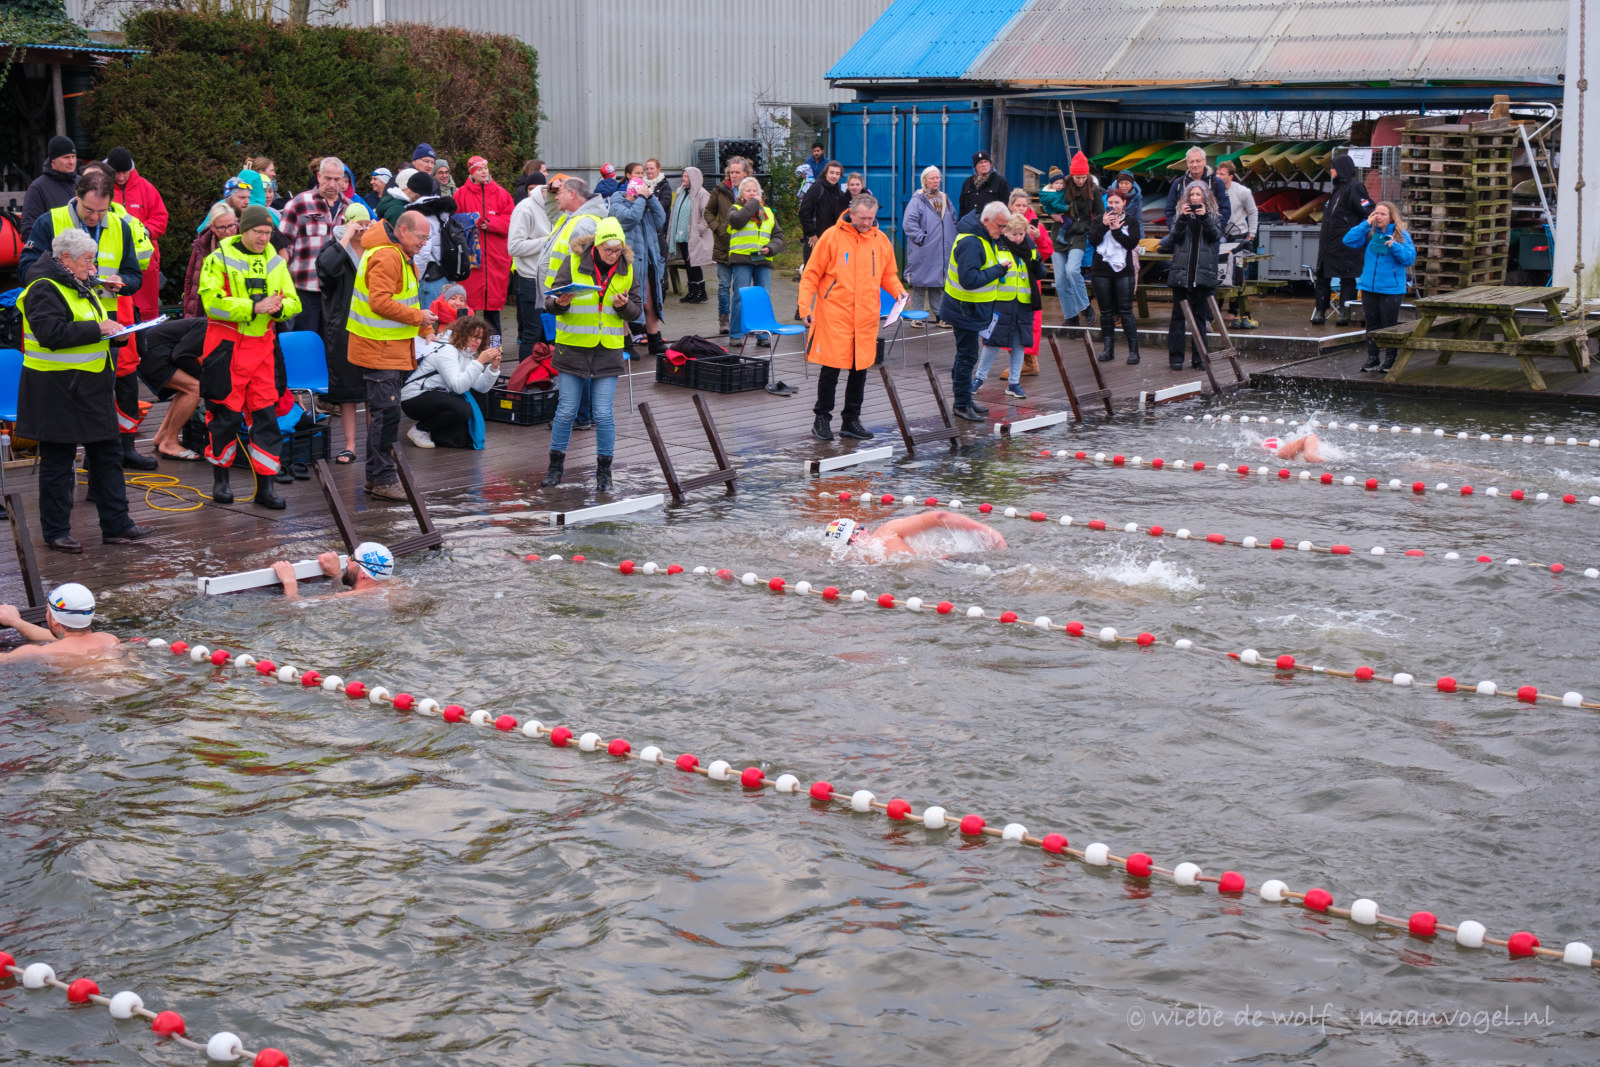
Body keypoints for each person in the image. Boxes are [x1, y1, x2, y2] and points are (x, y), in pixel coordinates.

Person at [15, 229, 154, 553]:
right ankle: (55, 532)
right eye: (87, 260)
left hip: (90, 387)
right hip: (56, 389)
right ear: (65, 258)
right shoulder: (44, 287)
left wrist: (116, 335)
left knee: (108, 454)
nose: (93, 268)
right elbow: (50, 333)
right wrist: (99, 328)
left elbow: (89, 329)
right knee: (58, 461)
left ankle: (117, 525)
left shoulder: (79, 284)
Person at [18, 169, 151, 471]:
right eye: (89, 209)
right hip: (63, 317)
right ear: (76, 196)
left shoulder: (120, 225)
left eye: (101, 211)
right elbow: (26, 270)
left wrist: (122, 283)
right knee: (70, 402)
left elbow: (135, 274)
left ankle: (112, 453)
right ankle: (76, 460)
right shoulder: (49, 221)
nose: (94, 217)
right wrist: (68, 278)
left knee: (114, 387)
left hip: (108, 317)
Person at [196, 204, 301, 509]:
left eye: (268, 233)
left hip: (263, 351)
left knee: (267, 418)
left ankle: (265, 488)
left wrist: (279, 308)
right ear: (244, 229)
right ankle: (221, 481)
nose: (263, 238)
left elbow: (294, 302)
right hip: (227, 350)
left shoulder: (276, 262)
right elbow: (211, 303)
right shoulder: (218, 259)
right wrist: (253, 307)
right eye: (258, 232)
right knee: (224, 417)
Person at [542, 217, 640, 492]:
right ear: (597, 245)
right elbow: (549, 301)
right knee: (566, 411)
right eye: (608, 250)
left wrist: (623, 307)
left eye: (618, 250)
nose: (613, 255)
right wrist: (560, 303)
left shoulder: (627, 268)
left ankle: (604, 473)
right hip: (572, 347)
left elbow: (636, 311)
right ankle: (555, 467)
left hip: (608, 350)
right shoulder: (573, 262)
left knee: (603, 413)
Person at [798, 193, 904, 441]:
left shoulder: (881, 240)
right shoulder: (831, 237)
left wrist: (899, 292)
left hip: (866, 316)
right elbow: (811, 274)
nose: (867, 223)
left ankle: (851, 419)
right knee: (831, 367)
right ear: (851, 213)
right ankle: (822, 418)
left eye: (871, 218)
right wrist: (805, 307)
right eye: (862, 218)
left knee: (861, 368)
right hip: (835, 314)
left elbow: (888, 274)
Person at [348, 210, 436, 500]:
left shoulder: (397, 253)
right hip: (379, 347)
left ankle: (376, 477)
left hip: (388, 347)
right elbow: (380, 303)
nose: (424, 243)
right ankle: (383, 479)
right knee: (385, 415)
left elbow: (404, 300)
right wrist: (418, 318)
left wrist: (423, 327)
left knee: (384, 414)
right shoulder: (388, 255)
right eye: (421, 237)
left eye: (426, 238)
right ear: (403, 231)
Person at [315, 202, 376, 466]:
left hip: (373, 326)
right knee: (347, 390)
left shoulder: (377, 247)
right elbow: (326, 271)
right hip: (343, 327)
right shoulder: (333, 247)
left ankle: (375, 444)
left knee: (374, 387)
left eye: (366, 224)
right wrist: (346, 238)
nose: (362, 230)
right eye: (357, 225)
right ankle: (350, 445)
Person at [941, 202, 1011, 422]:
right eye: (1000, 226)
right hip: (964, 308)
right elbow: (969, 280)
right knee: (967, 356)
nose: (1003, 231)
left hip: (969, 308)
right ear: (986, 221)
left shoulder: (983, 236)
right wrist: (998, 270)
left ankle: (964, 399)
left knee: (966, 355)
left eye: (1005, 227)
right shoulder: (971, 241)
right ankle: (961, 404)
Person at [402, 314, 499, 449]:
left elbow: (481, 387)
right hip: (413, 397)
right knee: (462, 409)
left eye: (480, 338)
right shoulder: (447, 350)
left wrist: (493, 368)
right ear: (463, 334)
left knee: (466, 409)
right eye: (474, 336)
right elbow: (458, 386)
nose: (477, 341)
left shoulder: (466, 354)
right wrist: (479, 362)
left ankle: (433, 432)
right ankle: (419, 430)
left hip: (434, 395)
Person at [973, 212, 1043, 397]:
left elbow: (1040, 271)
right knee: (992, 342)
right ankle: (979, 379)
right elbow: (986, 273)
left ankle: (1014, 383)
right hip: (1000, 303)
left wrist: (1037, 266)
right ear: (1005, 232)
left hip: (1023, 303)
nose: (1019, 238)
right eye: (1014, 234)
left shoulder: (1030, 247)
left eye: (1021, 233)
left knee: (1019, 344)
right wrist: (1000, 270)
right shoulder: (997, 247)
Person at [277, 156, 348, 335]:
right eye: (327, 178)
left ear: (343, 180)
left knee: (332, 342)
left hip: (336, 291)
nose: (332, 184)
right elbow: (283, 246)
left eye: (337, 179)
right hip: (305, 288)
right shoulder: (299, 204)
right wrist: (282, 284)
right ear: (318, 176)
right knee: (306, 340)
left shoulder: (350, 208)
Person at [1345, 201, 1416, 372]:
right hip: (1369, 287)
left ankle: (1390, 358)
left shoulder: (1401, 234)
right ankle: (1373, 357)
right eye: (1376, 213)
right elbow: (1348, 240)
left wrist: (1394, 245)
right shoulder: (1369, 232)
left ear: (1391, 217)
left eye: (1383, 214)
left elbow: (1409, 259)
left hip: (1391, 289)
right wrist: (1365, 224)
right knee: (1371, 324)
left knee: (1389, 325)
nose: (1378, 217)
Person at [1159, 180, 1222, 371]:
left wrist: (1205, 218)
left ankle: (1199, 358)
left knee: (1200, 317)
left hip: (1202, 275)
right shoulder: (1180, 215)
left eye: (1198, 194)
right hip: (1182, 273)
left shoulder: (1213, 215)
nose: (1194, 198)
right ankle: (1176, 358)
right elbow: (1174, 238)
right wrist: (1182, 219)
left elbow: (1215, 236)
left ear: (1205, 196)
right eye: (1191, 195)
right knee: (1178, 317)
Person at [609, 163, 668, 353]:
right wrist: (641, 199)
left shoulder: (646, 204)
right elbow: (631, 218)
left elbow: (660, 219)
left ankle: (654, 340)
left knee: (651, 302)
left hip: (649, 261)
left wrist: (650, 199)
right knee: (625, 303)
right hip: (627, 262)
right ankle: (625, 343)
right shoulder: (617, 203)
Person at [107, 147, 168, 327]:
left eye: (124, 172)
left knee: (147, 308)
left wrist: (144, 231)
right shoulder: (103, 189)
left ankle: (148, 340)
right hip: (115, 260)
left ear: (131, 169)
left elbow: (161, 218)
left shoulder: (146, 188)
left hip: (145, 261)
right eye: (116, 173)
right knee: (120, 309)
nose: (120, 177)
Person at [454, 156, 513, 334]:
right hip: (471, 260)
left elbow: (513, 220)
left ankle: (495, 346)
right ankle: (464, 343)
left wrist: (493, 224)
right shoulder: (460, 194)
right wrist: (470, 221)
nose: (484, 171)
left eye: (486, 168)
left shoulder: (502, 194)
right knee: (467, 307)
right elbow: (453, 222)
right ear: (472, 172)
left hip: (495, 258)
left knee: (493, 309)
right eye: (479, 169)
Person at [1314, 154, 1375, 325]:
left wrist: (1362, 229)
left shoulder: (1354, 187)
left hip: (1346, 244)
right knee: (1322, 277)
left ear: (1340, 169)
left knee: (1347, 278)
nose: (1331, 171)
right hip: (1328, 244)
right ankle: (1320, 310)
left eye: (1333, 167)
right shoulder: (1336, 190)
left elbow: (1368, 210)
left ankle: (1345, 311)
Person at [724, 176, 783, 353]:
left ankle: (763, 335)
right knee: (740, 298)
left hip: (762, 260)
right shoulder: (735, 209)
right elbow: (738, 221)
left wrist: (771, 248)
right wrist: (753, 203)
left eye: (755, 190)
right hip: (742, 259)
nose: (752, 193)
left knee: (762, 297)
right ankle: (736, 335)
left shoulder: (768, 212)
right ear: (741, 194)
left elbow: (778, 236)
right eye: (748, 190)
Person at [1039, 153, 1099, 326]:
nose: (1080, 180)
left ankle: (1085, 307)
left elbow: (1100, 214)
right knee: (1060, 280)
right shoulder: (1063, 185)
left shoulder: (1093, 189)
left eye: (1083, 177)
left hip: (1079, 235)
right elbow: (1047, 201)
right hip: (1060, 235)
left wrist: (1094, 232)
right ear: (1072, 175)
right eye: (1077, 177)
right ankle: (1071, 317)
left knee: (1072, 270)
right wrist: (1051, 213)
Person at [136, 316, 207, 460]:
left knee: (188, 389)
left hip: (152, 350)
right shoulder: (207, 327)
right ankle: (169, 442)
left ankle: (162, 437)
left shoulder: (207, 324)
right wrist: (203, 377)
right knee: (196, 389)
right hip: (152, 353)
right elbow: (181, 356)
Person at [1087, 188, 1142, 365]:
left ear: (1124, 203)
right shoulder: (1098, 220)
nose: (1114, 205)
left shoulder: (1131, 221)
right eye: (1110, 202)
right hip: (1101, 271)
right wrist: (1104, 225)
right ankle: (1108, 349)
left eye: (1117, 202)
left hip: (1123, 271)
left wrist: (1117, 230)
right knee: (1105, 311)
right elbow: (1093, 241)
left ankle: (1133, 351)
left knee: (1126, 310)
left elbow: (1131, 244)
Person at [0, 585, 121, 660]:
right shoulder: (110, 640)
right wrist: (15, 621)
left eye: (47, 610)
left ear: (54, 619)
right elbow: (64, 638)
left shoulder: (37, 652)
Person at [901, 166, 955, 329]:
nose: (936, 181)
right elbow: (909, 223)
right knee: (919, 283)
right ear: (924, 180)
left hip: (941, 250)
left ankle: (940, 317)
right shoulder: (918, 200)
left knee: (937, 285)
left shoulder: (945, 198)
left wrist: (952, 238)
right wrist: (922, 239)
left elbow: (953, 220)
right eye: (932, 178)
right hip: (924, 250)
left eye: (938, 178)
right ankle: (916, 317)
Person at [508, 177, 556, 355]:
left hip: (553, 280)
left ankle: (546, 371)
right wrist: (549, 241)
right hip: (531, 279)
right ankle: (526, 373)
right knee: (532, 334)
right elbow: (513, 247)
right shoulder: (525, 208)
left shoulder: (559, 207)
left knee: (550, 335)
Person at [823, 512, 1005, 558]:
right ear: (854, 536)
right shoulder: (885, 533)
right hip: (949, 567)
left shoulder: (854, 562)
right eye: (861, 527)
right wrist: (987, 531)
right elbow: (939, 517)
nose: (868, 530)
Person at [1007, 187, 1052, 374]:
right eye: (1018, 205)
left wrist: (1038, 237)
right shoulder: (1005, 223)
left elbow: (1047, 252)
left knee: (1029, 321)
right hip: (1009, 281)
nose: (1021, 208)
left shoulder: (1035, 227)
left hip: (1029, 280)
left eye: (1024, 205)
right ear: (1010, 206)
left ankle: (1029, 362)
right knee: (1010, 320)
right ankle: (1022, 362)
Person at [705, 156, 751, 335]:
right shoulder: (720, 189)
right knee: (724, 284)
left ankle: (741, 319)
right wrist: (717, 228)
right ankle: (724, 317)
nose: (734, 175)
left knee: (741, 287)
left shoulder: (752, 190)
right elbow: (708, 211)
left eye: (737, 172)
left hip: (744, 245)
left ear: (745, 173)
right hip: (724, 243)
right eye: (731, 172)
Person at [1217, 161, 1259, 329]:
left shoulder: (1243, 191)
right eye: (1217, 174)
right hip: (1220, 236)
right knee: (1219, 272)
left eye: (1222, 174)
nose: (1218, 177)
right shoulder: (1214, 190)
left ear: (1231, 176)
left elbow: (1253, 211)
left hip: (1239, 236)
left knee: (1237, 274)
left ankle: (1234, 311)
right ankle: (1216, 309)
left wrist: (1252, 234)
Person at [408, 171, 458, 312]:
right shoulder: (442, 212)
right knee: (446, 317)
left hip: (429, 276)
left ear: (416, 191)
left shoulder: (421, 214)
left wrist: (416, 277)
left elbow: (423, 251)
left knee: (429, 319)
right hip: (446, 272)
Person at [271, 544, 393, 599]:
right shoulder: (389, 585)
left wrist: (289, 583)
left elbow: (297, 608)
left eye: (353, 558)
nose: (347, 560)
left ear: (364, 575)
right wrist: (337, 574)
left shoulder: (354, 597)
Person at [185, 203, 239, 319]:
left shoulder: (246, 242)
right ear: (213, 227)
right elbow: (190, 280)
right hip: (206, 309)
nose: (228, 231)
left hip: (237, 309)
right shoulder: (201, 245)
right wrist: (189, 315)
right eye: (222, 228)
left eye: (231, 226)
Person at [669, 166, 712, 305]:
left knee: (694, 263)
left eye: (687, 176)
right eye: (683, 176)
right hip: (682, 235)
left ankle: (701, 292)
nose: (683, 179)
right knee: (688, 263)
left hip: (695, 235)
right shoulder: (682, 192)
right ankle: (692, 291)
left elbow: (707, 215)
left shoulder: (702, 194)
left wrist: (698, 230)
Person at [20, 136, 79, 236]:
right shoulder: (38, 188)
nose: (71, 162)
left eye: (73, 156)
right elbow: (29, 229)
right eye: (66, 157)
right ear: (53, 160)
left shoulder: (82, 182)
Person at [1163, 147, 1231, 234]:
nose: (1195, 165)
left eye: (1198, 161)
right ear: (1187, 163)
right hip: (1184, 236)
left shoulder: (1216, 182)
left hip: (1210, 236)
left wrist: (1216, 231)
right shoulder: (1178, 183)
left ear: (1204, 161)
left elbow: (1225, 209)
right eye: (1191, 162)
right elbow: (1169, 210)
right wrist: (1175, 231)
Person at [798, 160, 848, 273]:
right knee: (812, 274)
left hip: (833, 241)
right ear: (825, 173)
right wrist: (811, 234)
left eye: (837, 173)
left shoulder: (839, 193)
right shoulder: (816, 188)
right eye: (831, 172)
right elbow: (804, 212)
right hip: (815, 240)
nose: (834, 176)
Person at [958, 151, 1012, 220]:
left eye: (986, 161)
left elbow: (1006, 206)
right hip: (969, 223)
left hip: (990, 223)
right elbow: (962, 207)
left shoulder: (1001, 182)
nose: (984, 165)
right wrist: (961, 222)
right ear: (975, 166)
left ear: (990, 164)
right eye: (980, 162)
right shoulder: (967, 183)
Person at [643, 159, 674, 261]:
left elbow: (666, 202)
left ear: (658, 169)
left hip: (660, 226)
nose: (649, 171)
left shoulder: (665, 185)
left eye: (652, 168)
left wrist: (650, 206)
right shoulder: (640, 184)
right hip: (645, 225)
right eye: (647, 168)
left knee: (660, 255)